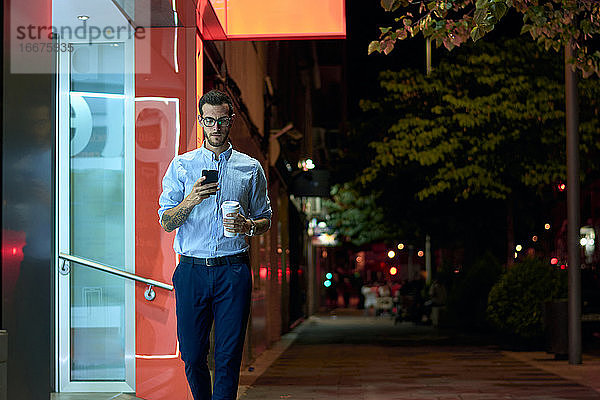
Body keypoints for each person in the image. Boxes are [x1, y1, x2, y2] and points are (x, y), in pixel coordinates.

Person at [158, 89, 272, 400]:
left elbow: (265, 219)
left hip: (232, 270)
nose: (216, 127)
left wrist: (248, 225)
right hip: (191, 270)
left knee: (228, 356)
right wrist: (191, 199)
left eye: (222, 120)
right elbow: (167, 221)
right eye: (209, 120)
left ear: (231, 121)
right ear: (200, 121)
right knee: (193, 355)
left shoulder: (250, 168)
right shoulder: (182, 166)